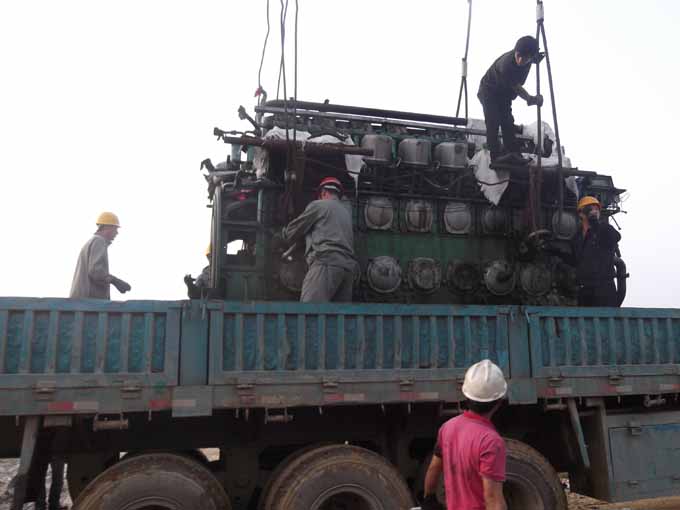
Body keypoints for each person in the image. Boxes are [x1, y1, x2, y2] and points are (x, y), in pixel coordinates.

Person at [422, 359, 508, 510]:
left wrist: (429, 498)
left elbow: (434, 468)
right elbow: (493, 500)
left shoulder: (448, 428)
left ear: (466, 396)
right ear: (499, 401)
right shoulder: (491, 441)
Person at [281, 177, 356, 302]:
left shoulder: (319, 205)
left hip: (326, 263)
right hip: (348, 270)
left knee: (310, 309)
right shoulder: (346, 213)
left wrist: (284, 234)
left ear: (323, 192)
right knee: (339, 313)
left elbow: (294, 230)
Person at [478, 36, 543, 162]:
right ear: (515, 52)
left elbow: (535, 57)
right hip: (489, 91)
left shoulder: (531, 58)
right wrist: (531, 99)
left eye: (525, 58)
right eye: (518, 56)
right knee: (493, 120)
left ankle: (513, 152)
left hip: (504, 95)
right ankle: (494, 155)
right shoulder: (506, 65)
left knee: (508, 122)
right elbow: (517, 88)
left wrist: (537, 57)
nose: (520, 60)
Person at [561, 196, 622, 306]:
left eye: (597, 209)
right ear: (581, 213)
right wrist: (555, 252)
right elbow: (575, 260)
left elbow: (616, 236)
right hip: (585, 290)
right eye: (590, 209)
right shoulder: (577, 237)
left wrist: (596, 224)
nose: (594, 211)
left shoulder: (604, 229)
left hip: (604, 289)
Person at [70, 212, 131, 298]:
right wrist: (115, 281)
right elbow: (95, 271)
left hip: (82, 300)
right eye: (115, 229)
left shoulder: (92, 241)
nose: (117, 233)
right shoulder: (99, 241)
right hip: (89, 301)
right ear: (107, 228)